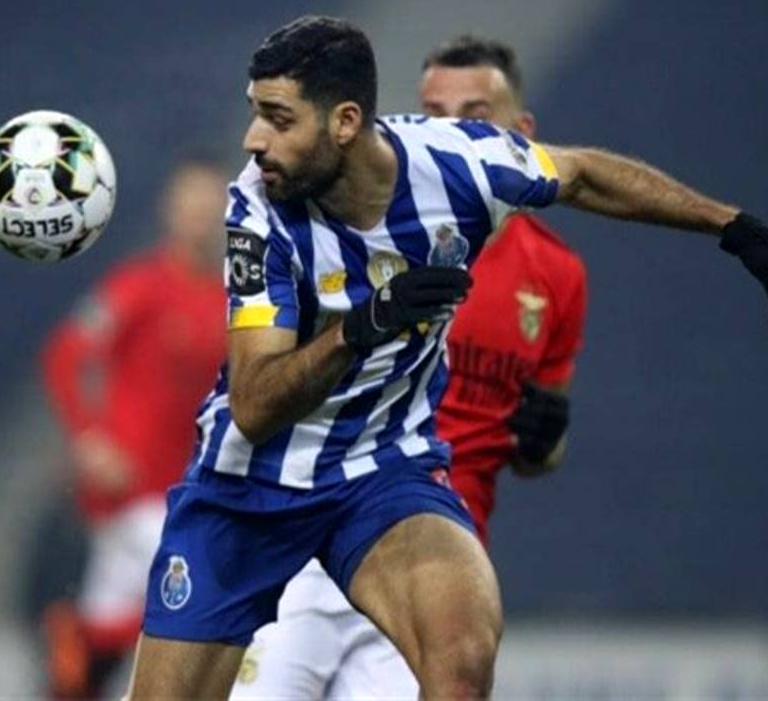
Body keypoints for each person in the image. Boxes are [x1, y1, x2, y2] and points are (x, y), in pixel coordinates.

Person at [127, 16, 768, 700]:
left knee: (463, 654)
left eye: (278, 119)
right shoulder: (257, 212)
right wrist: (361, 328)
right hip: (250, 490)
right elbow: (254, 406)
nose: (254, 140)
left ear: (344, 122)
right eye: (256, 113)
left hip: (380, 473)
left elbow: (583, 175)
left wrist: (732, 227)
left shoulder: (457, 163)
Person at [230, 35, 585, 699]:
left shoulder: (558, 275)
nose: (451, 130)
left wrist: (546, 439)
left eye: (474, 115)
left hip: (430, 567)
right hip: (315, 533)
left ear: (522, 133)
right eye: (433, 112)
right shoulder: (359, 231)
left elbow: (539, 452)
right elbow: (267, 376)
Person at [40, 161, 229, 697]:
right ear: (170, 209)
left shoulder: (233, 301)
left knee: (107, 635)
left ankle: (76, 640)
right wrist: (89, 438)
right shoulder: (138, 286)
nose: (200, 215)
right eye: (190, 202)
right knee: (197, 597)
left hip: (188, 490)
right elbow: (66, 354)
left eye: (210, 203)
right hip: (133, 491)